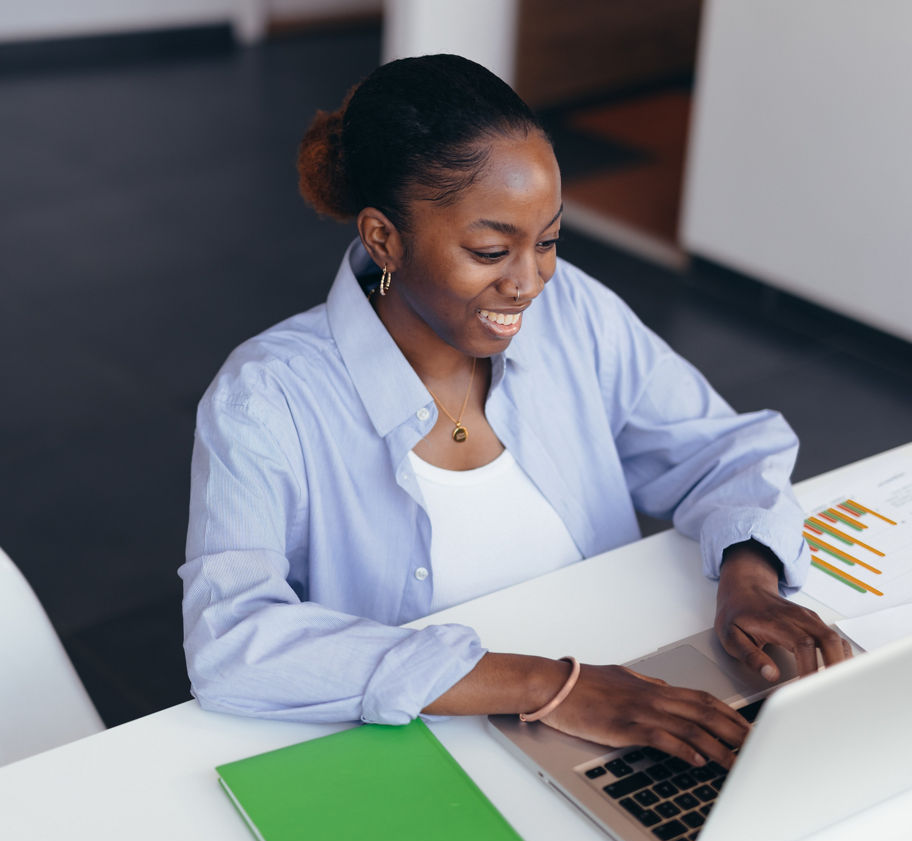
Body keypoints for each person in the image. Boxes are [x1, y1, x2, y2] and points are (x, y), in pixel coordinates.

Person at [178, 54, 849, 769]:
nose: (529, 282)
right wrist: (551, 686)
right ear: (384, 239)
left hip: (627, 697)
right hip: (426, 750)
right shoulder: (265, 397)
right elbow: (231, 640)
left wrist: (750, 582)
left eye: (549, 240)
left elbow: (725, 449)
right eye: (491, 249)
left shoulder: (573, 312)